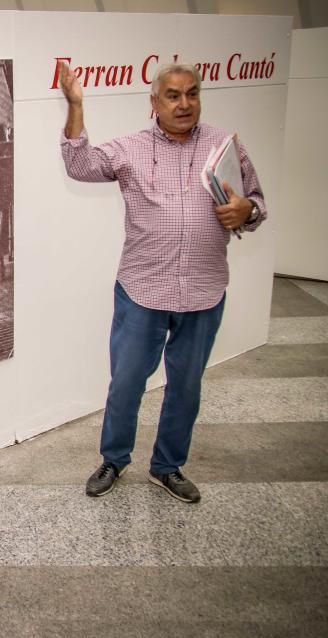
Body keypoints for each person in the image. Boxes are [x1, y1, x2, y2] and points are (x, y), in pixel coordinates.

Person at [58, 61, 267, 503]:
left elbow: (257, 204)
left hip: (204, 290)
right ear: (154, 103)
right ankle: (114, 459)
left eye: (192, 94)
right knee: (127, 383)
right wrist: (75, 105)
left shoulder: (224, 147)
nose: (184, 103)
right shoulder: (131, 148)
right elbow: (80, 164)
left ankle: (167, 467)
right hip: (143, 290)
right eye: (173, 95)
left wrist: (247, 210)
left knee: (186, 387)